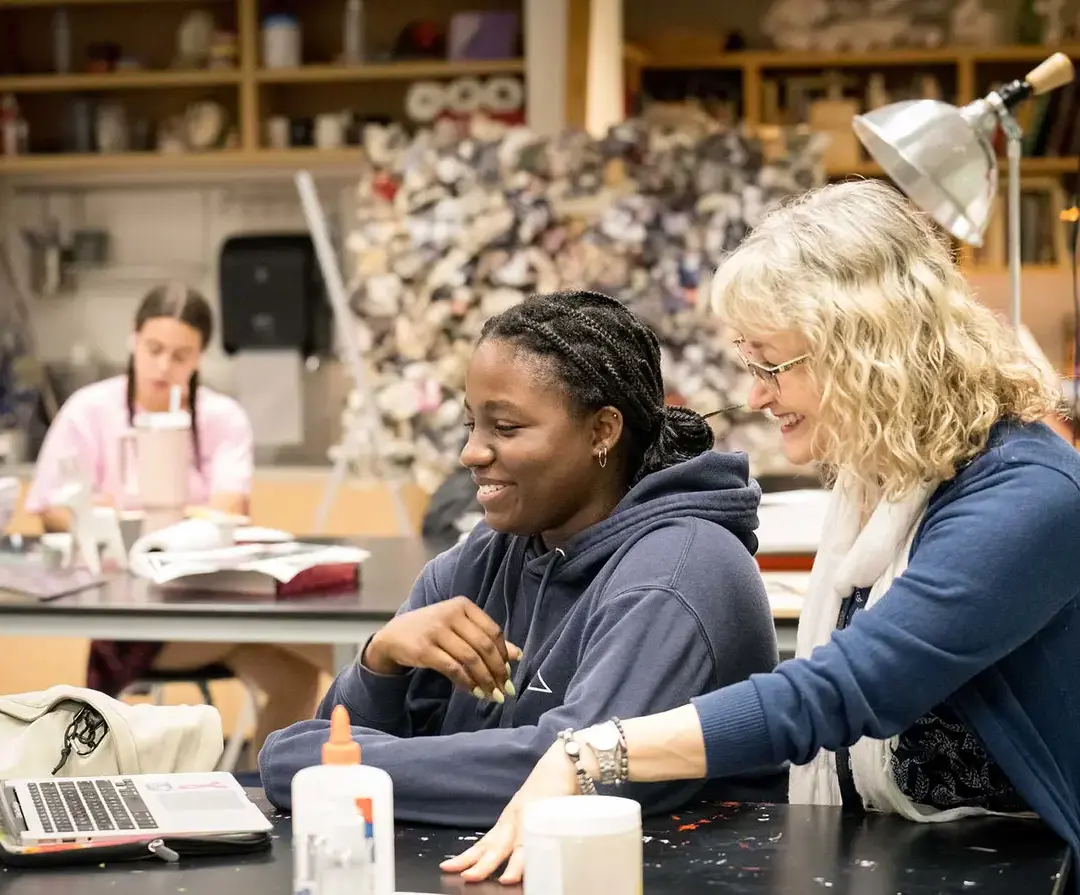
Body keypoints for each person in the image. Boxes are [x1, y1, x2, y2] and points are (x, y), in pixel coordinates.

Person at [443, 180, 1080, 887]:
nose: (755, 395)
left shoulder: (1029, 495)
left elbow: (846, 690)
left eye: (771, 364)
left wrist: (591, 752)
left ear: (866, 347)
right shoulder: (882, 478)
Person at [259, 289, 780, 823]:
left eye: (505, 428)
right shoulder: (478, 562)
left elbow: (576, 774)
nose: (472, 453)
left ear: (603, 431)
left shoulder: (677, 574)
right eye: (472, 426)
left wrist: (317, 768)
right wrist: (381, 661)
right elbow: (339, 750)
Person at [24, 282, 333, 754]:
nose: (165, 367)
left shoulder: (222, 417)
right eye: (154, 350)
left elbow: (232, 508)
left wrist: (134, 514)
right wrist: (108, 526)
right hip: (134, 617)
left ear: (200, 357)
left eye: (181, 356)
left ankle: (265, 788)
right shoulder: (89, 411)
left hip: (217, 600)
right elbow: (49, 508)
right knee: (332, 652)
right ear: (133, 339)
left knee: (306, 669)